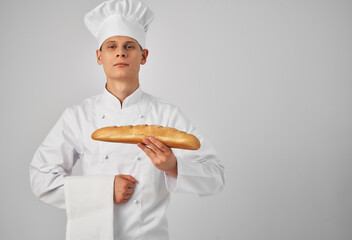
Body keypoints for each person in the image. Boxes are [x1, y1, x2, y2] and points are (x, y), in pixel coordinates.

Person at [29, 0, 225, 239]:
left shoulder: (167, 114)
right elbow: (41, 178)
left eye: (129, 46)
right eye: (111, 46)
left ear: (143, 56)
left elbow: (216, 176)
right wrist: (103, 190)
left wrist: (173, 166)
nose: (121, 52)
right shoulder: (78, 116)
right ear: (99, 56)